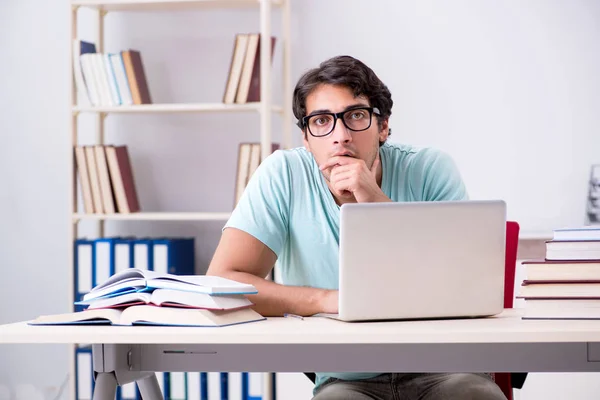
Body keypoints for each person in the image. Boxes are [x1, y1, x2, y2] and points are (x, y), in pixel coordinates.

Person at [207, 55, 507, 400]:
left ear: (383, 127)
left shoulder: (430, 168)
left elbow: (469, 280)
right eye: (321, 121)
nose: (341, 136)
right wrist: (328, 300)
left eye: (356, 116)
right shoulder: (284, 174)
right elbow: (225, 282)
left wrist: (375, 202)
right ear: (306, 137)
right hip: (346, 377)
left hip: (446, 367)